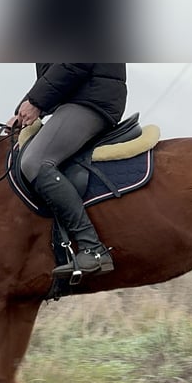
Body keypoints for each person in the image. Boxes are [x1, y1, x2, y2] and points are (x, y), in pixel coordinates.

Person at [9, 63, 127, 278]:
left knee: (34, 162)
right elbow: (53, 72)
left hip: (92, 100)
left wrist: (36, 102)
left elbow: (74, 62)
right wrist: (22, 111)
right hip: (78, 98)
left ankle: (92, 248)